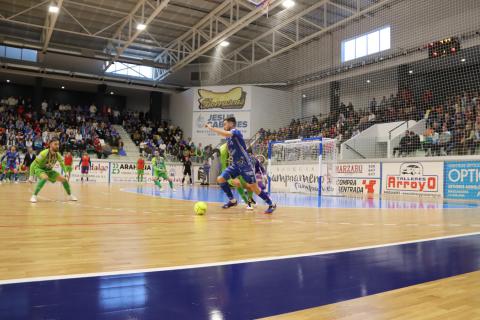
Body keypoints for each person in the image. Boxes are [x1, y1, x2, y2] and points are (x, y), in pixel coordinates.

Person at [205, 117, 276, 214]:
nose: (224, 126)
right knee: (220, 179)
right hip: (235, 165)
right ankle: (232, 201)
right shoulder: (228, 138)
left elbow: (225, 133)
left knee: (254, 188)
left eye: (225, 124)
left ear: (231, 124)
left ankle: (271, 204)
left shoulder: (236, 132)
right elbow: (223, 134)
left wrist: (211, 128)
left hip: (245, 164)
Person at [29, 137, 77, 203]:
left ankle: (70, 195)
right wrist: (31, 176)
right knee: (45, 177)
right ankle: (34, 196)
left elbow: (62, 164)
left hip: (49, 171)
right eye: (55, 144)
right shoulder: (43, 153)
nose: (57, 146)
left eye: (58, 144)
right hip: (39, 169)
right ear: (51, 144)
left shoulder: (58, 155)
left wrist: (66, 172)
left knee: (64, 179)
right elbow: (33, 164)